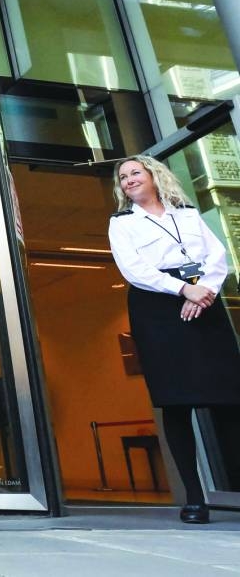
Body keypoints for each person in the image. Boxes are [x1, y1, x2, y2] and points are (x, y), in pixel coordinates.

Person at [109, 155, 240, 524]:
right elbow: (134, 269)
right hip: (158, 307)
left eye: (135, 172)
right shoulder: (121, 223)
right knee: (176, 402)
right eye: (123, 177)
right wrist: (183, 289)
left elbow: (217, 255)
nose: (129, 179)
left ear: (154, 175)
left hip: (204, 301)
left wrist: (204, 291)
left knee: (229, 400)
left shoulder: (187, 213)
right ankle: (195, 499)